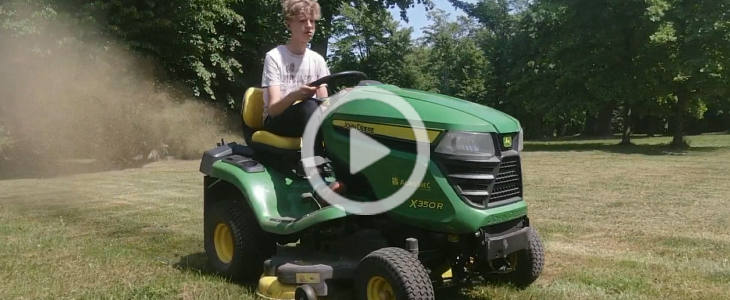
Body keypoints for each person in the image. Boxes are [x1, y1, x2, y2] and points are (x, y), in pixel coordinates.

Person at [261, 0, 329, 138]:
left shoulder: (318, 60)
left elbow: (325, 103)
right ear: (289, 23)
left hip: (308, 117)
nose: (309, 26)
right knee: (310, 106)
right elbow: (273, 110)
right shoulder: (274, 57)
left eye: (312, 21)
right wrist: (295, 95)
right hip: (275, 121)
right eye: (303, 21)